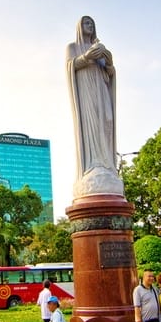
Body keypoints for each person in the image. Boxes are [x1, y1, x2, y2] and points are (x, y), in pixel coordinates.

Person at [66, 16, 123, 198]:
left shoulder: (100, 47)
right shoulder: (72, 47)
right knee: (92, 124)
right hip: (86, 94)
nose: (89, 26)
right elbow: (70, 66)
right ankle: (94, 164)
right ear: (79, 27)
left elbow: (110, 73)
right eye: (85, 23)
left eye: (91, 23)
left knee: (107, 120)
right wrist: (86, 57)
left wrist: (109, 63)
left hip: (101, 90)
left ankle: (107, 165)